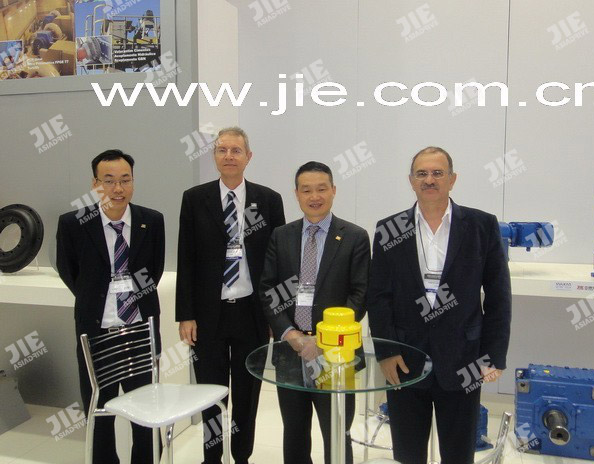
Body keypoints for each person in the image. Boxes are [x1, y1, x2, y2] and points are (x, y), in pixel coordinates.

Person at [366, 147, 512, 464]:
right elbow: (378, 296)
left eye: (437, 173)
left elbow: (499, 296)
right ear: (411, 180)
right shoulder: (389, 229)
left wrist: (492, 355)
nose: (429, 180)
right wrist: (387, 352)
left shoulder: (482, 225)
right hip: (404, 361)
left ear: (452, 179)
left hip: (464, 359)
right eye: (422, 173)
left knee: (458, 455)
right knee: (408, 454)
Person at [176, 127, 285, 464]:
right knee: (210, 393)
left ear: (248, 157)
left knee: (247, 393)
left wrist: (277, 315)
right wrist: (185, 314)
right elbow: (186, 258)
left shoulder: (268, 200)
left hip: (252, 313)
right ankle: (211, 457)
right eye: (222, 150)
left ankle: (241, 456)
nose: (228, 156)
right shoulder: (195, 198)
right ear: (214, 156)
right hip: (208, 314)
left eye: (236, 150)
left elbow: (278, 262)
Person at [56, 149, 165, 464]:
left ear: (133, 181)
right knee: (99, 411)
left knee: (145, 412)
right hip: (96, 333)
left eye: (125, 180)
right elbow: (70, 271)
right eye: (109, 181)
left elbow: (154, 271)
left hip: (139, 331)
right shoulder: (73, 223)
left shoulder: (151, 221)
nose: (118, 188)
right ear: (95, 184)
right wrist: (97, 298)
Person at [259, 161, 370, 464]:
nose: (314, 196)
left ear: (333, 190)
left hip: (336, 353)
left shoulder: (355, 236)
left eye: (321, 189)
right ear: (296, 194)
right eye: (306, 190)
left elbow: (359, 296)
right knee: (294, 434)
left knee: (337, 434)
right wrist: (291, 334)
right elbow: (268, 290)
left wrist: (324, 340)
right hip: (290, 351)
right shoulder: (281, 235)